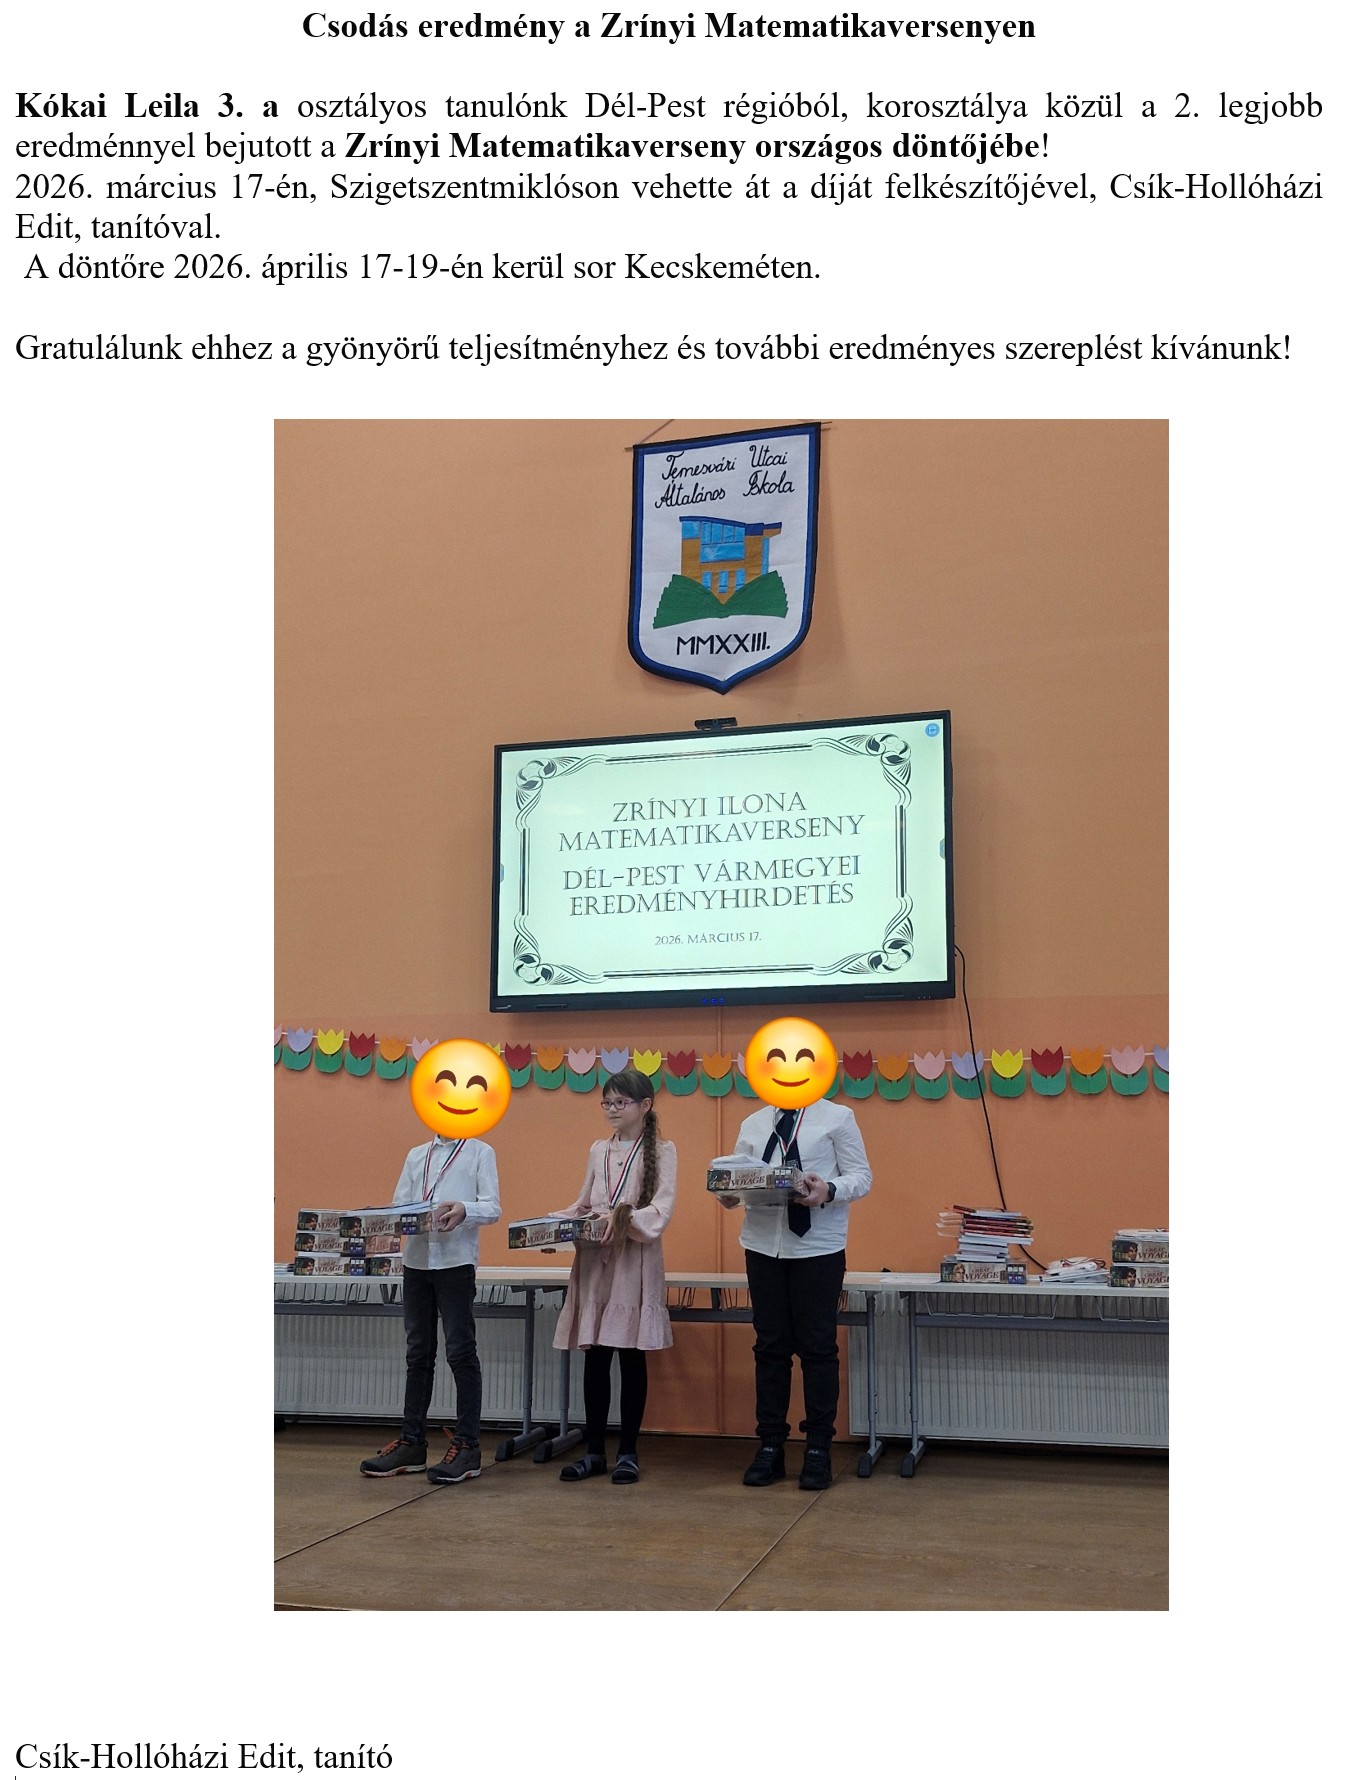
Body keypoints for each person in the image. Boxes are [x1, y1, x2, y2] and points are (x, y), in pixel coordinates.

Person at [717, 1096, 872, 1490]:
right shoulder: (753, 1122)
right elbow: (739, 1175)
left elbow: (861, 1176)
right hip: (762, 1246)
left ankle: (818, 1448)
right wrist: (729, 1192)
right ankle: (770, 1446)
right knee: (770, 1347)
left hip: (817, 1248)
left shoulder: (837, 1117)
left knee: (818, 1347)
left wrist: (829, 1189)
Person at [550, 1067, 677, 1484]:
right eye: (607, 1102)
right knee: (596, 1355)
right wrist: (552, 1226)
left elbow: (660, 1211)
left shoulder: (663, 1151)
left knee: (631, 1355)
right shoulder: (597, 1150)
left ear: (645, 1105)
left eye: (621, 1102)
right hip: (595, 1262)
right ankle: (593, 1453)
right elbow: (583, 1204)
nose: (612, 1109)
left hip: (633, 1262)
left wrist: (621, 1219)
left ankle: (628, 1452)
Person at [359, 1129, 501, 1483]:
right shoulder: (417, 1154)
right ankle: (412, 1443)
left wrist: (465, 1209)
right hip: (416, 1263)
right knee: (418, 1353)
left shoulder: (480, 1152)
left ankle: (467, 1446)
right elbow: (400, 1205)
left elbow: (493, 1207)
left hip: (456, 1263)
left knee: (461, 1352)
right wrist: (380, 1218)